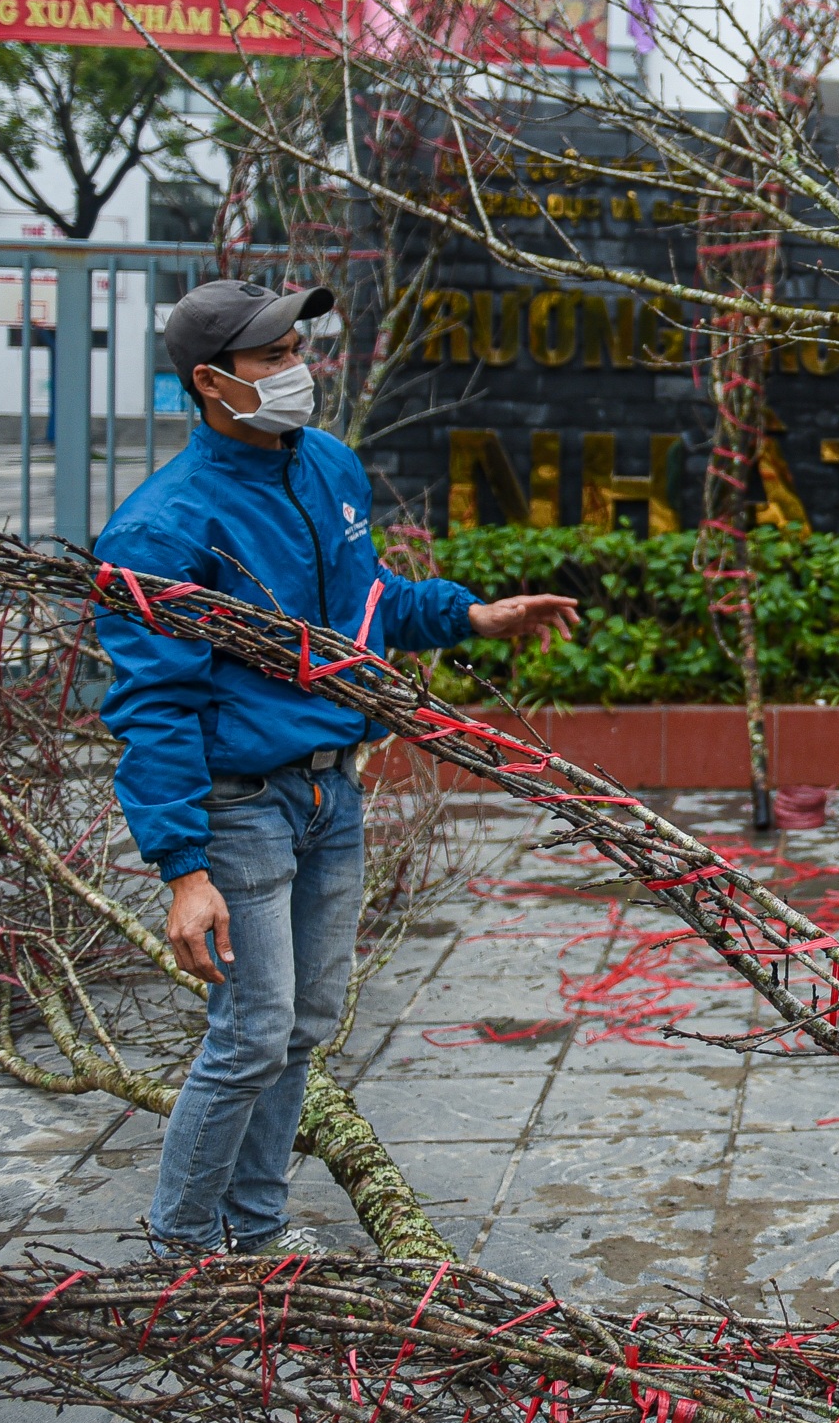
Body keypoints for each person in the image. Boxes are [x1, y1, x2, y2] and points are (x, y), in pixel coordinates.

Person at [98, 279, 582, 1258]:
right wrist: (183, 870)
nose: (297, 369)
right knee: (251, 1028)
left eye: (296, 347)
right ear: (208, 381)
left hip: (333, 791)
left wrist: (471, 616)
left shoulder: (327, 466)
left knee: (304, 1021)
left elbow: (365, 608)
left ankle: (257, 1230)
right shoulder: (162, 529)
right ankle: (182, 1249)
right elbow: (153, 710)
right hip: (242, 809)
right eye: (271, 357)